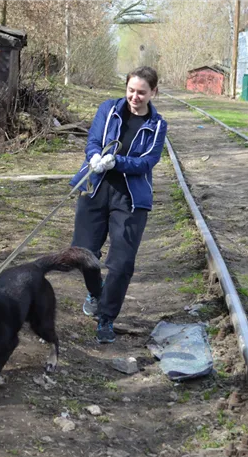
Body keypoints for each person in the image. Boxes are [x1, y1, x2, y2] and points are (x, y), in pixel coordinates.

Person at [69, 66, 167, 343]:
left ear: (153, 92)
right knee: (82, 253)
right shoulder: (108, 109)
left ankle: (106, 318)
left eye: (142, 93)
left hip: (131, 198)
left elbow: (148, 161)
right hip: (96, 187)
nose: (135, 97)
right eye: (131, 91)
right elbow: (92, 140)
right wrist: (94, 156)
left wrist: (118, 161)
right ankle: (96, 292)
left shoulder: (157, 125)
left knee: (122, 262)